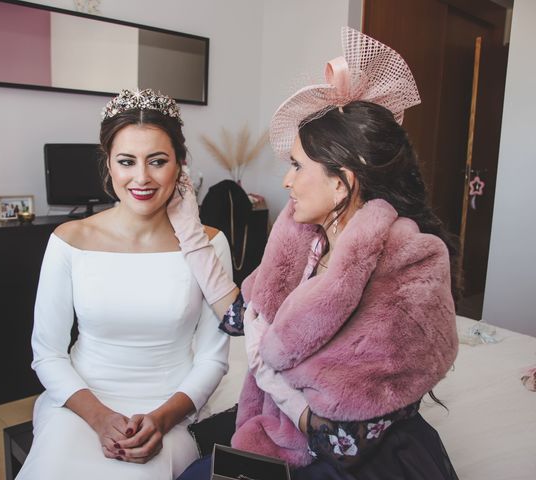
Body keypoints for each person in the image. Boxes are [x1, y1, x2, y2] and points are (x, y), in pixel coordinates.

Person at [177, 27, 460, 479]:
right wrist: (190, 232)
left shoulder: (411, 263)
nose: (286, 181)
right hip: (290, 431)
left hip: (362, 461)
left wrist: (269, 375)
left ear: (341, 180)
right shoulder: (307, 241)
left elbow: (346, 440)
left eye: (295, 166)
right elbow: (240, 317)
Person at [16, 89, 237, 480]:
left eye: (157, 161)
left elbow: (213, 358)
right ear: (108, 166)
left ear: (180, 165)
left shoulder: (208, 244)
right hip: (81, 404)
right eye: (126, 161)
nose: (142, 177)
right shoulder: (70, 240)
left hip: (172, 407)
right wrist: (101, 419)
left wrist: (161, 418)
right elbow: (47, 353)